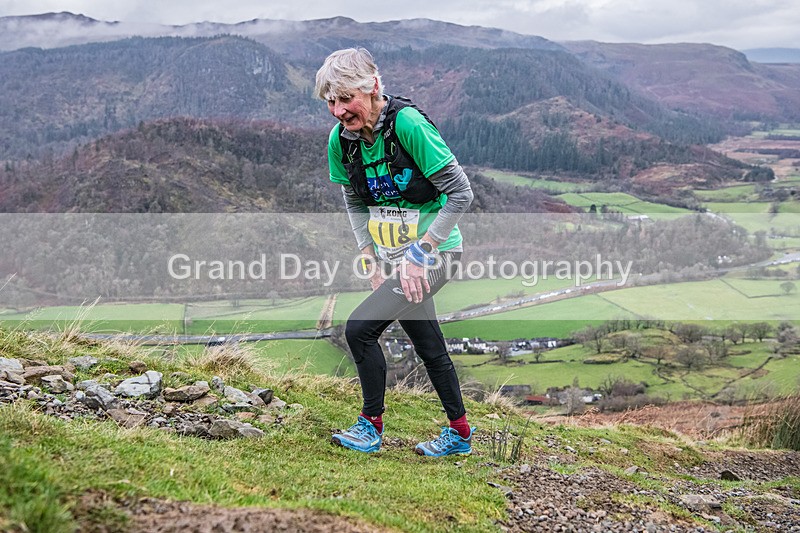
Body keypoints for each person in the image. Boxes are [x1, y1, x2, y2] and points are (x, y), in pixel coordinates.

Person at [314, 47, 475, 456]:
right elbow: (354, 199)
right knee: (428, 345)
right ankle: (460, 433)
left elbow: (460, 193)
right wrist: (368, 255)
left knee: (359, 329)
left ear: (372, 87)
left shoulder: (407, 125)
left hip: (435, 255)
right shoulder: (342, 141)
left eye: (345, 98)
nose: (337, 111)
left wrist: (421, 254)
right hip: (392, 258)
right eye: (330, 101)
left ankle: (370, 425)